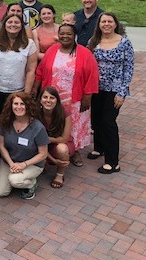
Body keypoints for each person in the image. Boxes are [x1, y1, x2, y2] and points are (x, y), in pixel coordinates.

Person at [32, 24, 99, 168]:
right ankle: (53, 150)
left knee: (74, 126)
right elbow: (41, 70)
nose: (65, 36)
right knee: (54, 123)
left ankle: (74, 152)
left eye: (68, 34)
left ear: (74, 36)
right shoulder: (52, 50)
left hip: (75, 98)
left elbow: (92, 75)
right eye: (62, 33)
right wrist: (35, 88)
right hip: (52, 98)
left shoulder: (84, 53)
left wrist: (88, 96)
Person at [88, 12, 134, 174]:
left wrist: (122, 93)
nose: (106, 24)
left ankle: (113, 162)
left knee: (108, 122)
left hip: (114, 90)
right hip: (96, 88)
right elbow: (88, 65)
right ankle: (99, 148)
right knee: (96, 120)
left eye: (109, 21)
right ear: (99, 24)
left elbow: (129, 69)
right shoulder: (93, 42)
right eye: (103, 21)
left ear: (115, 24)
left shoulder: (124, 43)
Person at [0, 92, 48, 200]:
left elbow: (43, 154)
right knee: (0, 192)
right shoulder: (6, 122)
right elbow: (1, 145)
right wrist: (11, 164)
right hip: (10, 162)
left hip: (31, 164)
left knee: (15, 180)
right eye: (15, 104)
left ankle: (31, 184)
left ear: (28, 106)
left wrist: (23, 165)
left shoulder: (38, 127)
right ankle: (16, 178)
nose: (19, 107)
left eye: (22, 104)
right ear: (11, 106)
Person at [38, 86, 74, 188]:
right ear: (40, 100)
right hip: (40, 145)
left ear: (57, 100)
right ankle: (42, 164)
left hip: (59, 142)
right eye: (45, 97)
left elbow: (64, 138)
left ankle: (59, 175)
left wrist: (46, 139)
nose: (48, 100)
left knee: (62, 149)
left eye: (52, 98)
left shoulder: (65, 113)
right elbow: (36, 140)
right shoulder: (35, 114)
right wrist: (53, 160)